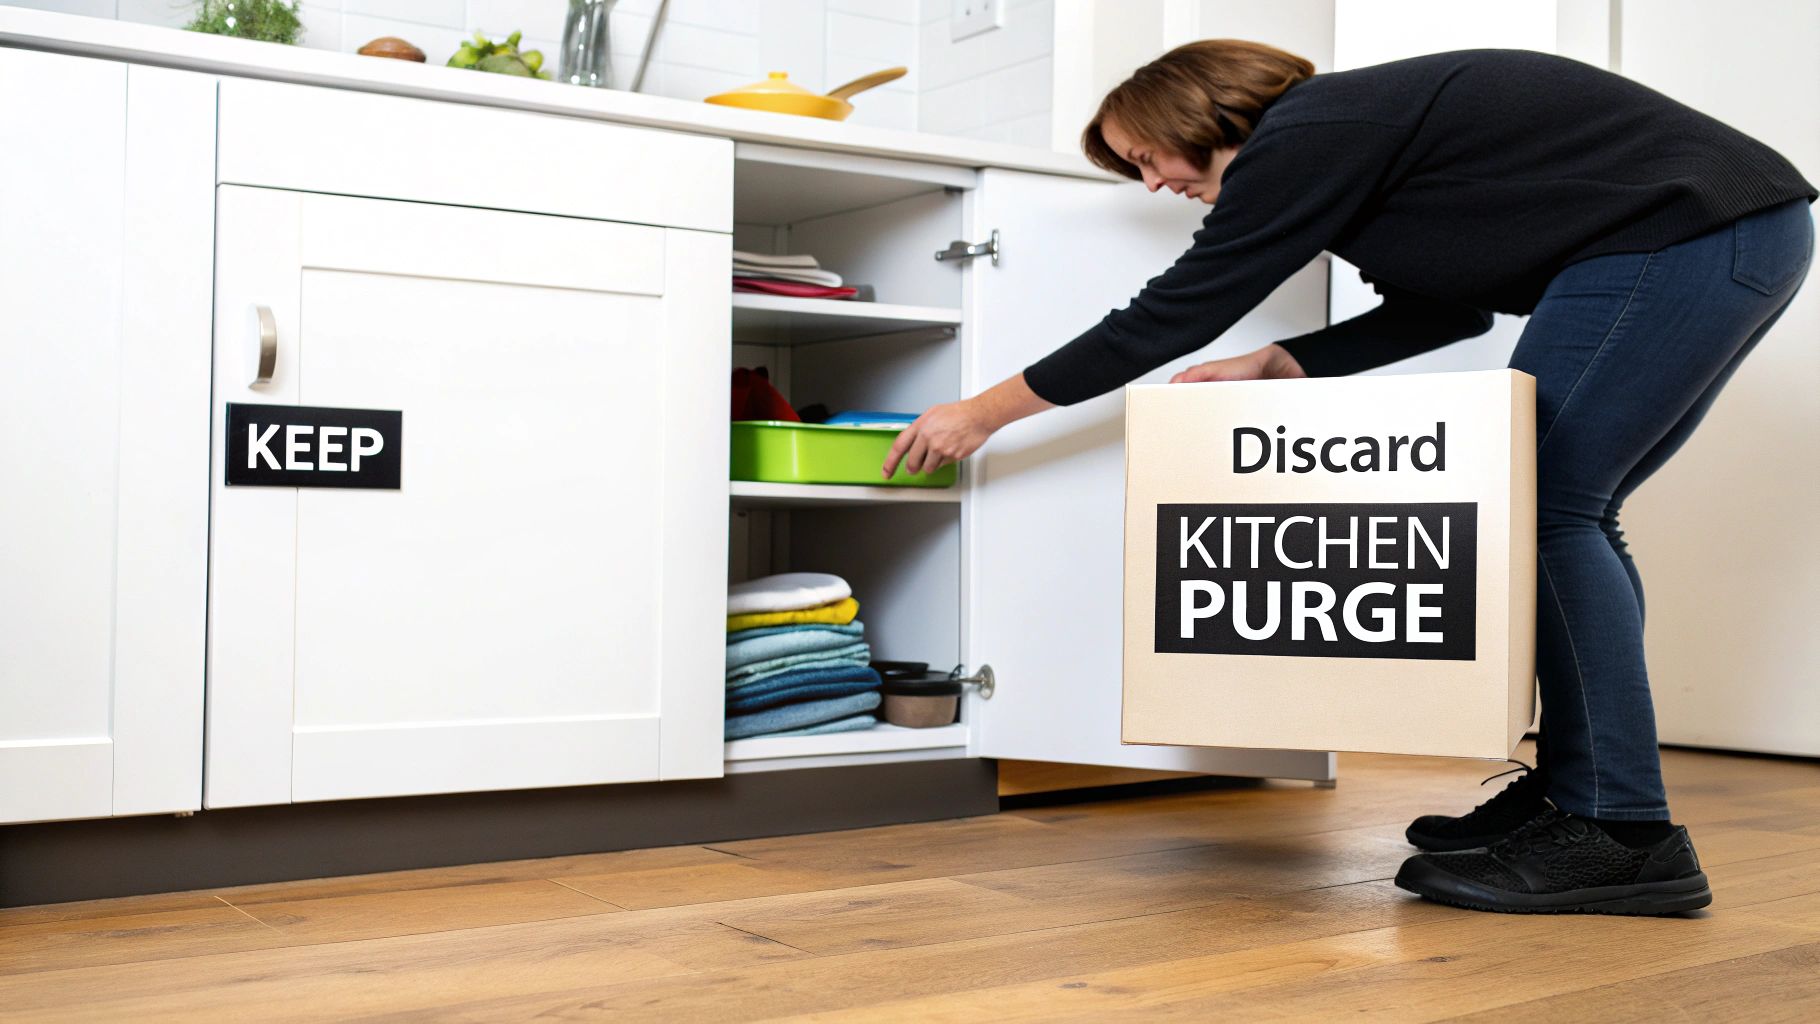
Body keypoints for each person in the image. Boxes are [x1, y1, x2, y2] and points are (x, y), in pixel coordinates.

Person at [881, 41, 1816, 915]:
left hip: (1687, 235)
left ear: (1201, 110)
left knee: (1544, 509)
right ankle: (1587, 799)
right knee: (1567, 510)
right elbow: (1437, 315)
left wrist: (980, 413)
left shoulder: (1310, 131)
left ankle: (1620, 833)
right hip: (1720, 234)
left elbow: (1172, 311)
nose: (1155, 182)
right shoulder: (1356, 157)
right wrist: (1280, 362)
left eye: (1147, 154)